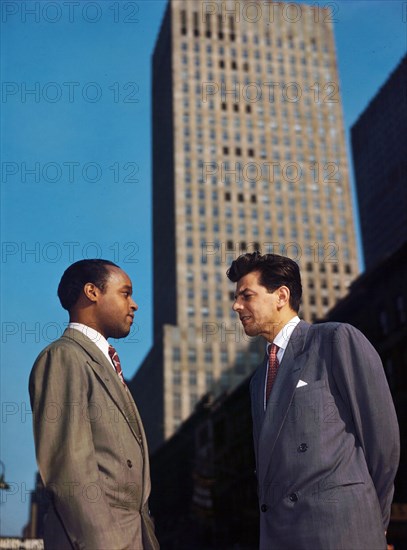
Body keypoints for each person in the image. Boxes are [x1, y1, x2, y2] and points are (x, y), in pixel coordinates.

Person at [227, 252, 400, 550]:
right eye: (236, 297)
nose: (236, 306)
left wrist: (373, 519)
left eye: (246, 295)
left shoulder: (335, 340)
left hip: (341, 532)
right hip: (281, 537)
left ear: (281, 296)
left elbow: (382, 442)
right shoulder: (258, 381)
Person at [29, 259, 159, 550]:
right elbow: (69, 470)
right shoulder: (64, 356)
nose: (134, 304)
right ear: (92, 292)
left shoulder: (104, 362)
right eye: (125, 293)